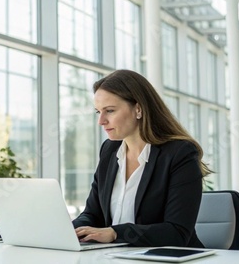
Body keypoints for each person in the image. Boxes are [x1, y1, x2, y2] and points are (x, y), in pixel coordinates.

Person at [73, 69, 212, 247]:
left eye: (109, 111)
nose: (101, 121)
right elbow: (93, 214)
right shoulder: (109, 150)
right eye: (98, 112)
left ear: (138, 109)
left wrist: (116, 233)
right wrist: (70, 229)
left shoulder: (179, 153)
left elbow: (177, 232)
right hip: (117, 257)